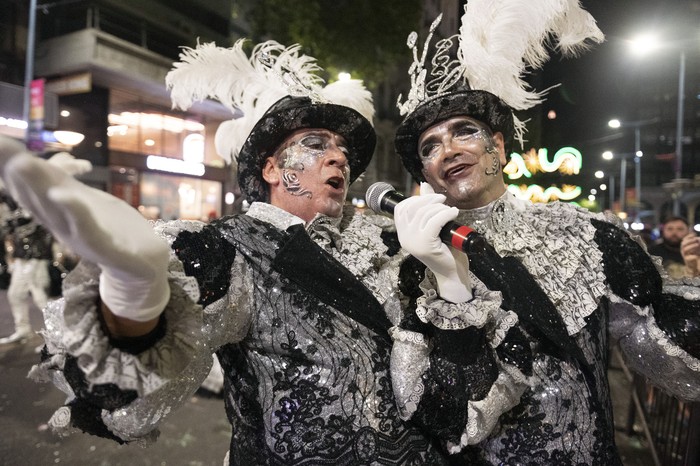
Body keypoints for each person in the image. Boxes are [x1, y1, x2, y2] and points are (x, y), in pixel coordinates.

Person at [0, 40, 465, 464]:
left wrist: (448, 275)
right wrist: (132, 299)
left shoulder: (387, 243)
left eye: (342, 149)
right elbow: (133, 379)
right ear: (269, 168)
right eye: (316, 144)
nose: (339, 156)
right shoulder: (229, 248)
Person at [384, 2, 700, 465]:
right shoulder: (409, 267)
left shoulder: (587, 235)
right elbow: (445, 417)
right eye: (430, 146)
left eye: (464, 131)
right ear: (426, 175)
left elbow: (672, 360)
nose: (448, 149)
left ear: (498, 145)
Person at [0, 153, 90, 345]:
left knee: (40, 296)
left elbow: (43, 223)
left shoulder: (39, 199)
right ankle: (23, 329)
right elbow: (10, 226)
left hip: (36, 255)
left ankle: (58, 334)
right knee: (16, 294)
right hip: (22, 256)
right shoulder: (16, 199)